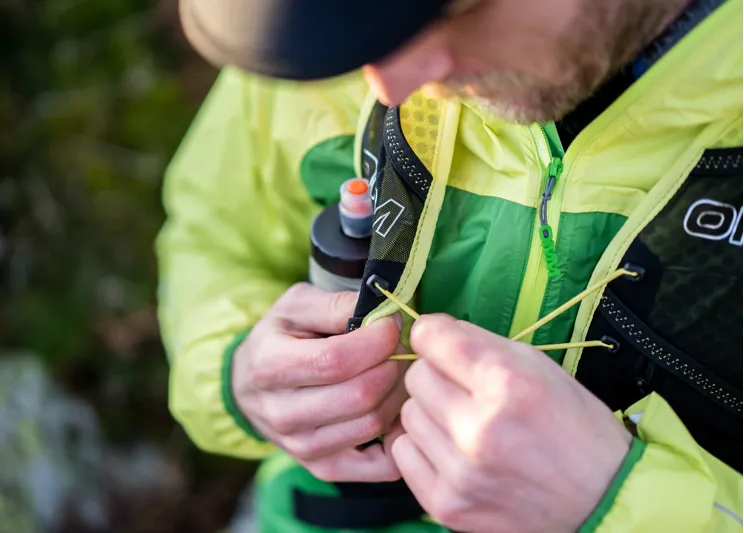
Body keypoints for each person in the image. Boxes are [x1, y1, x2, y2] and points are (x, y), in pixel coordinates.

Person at [155, 0, 743, 531]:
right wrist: (240, 370)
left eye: (458, 9)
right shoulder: (334, 27)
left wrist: (629, 509)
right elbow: (216, 235)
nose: (388, 82)